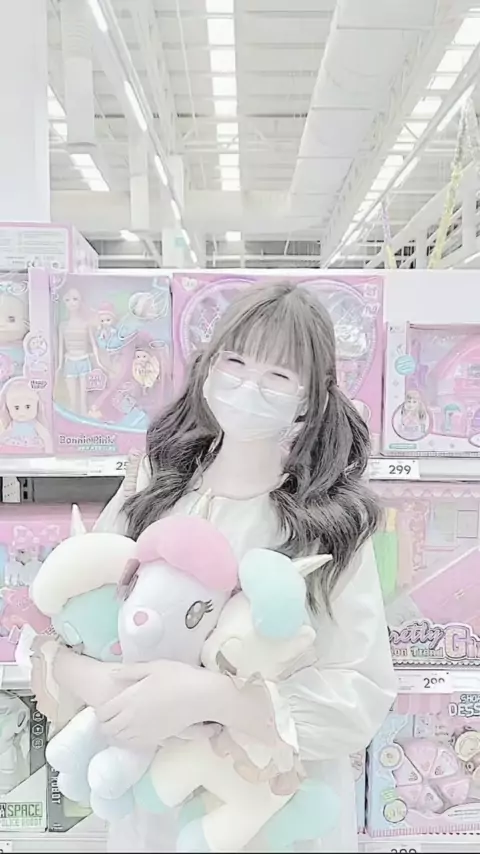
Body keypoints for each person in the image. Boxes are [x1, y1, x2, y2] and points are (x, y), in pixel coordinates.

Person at [34, 282, 396, 853]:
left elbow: (361, 693)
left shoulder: (333, 523)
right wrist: (102, 685)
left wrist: (213, 697)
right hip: (152, 808)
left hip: (270, 816)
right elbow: (69, 626)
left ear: (311, 396)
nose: (250, 386)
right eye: (236, 362)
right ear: (208, 364)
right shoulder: (155, 488)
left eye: (279, 375)